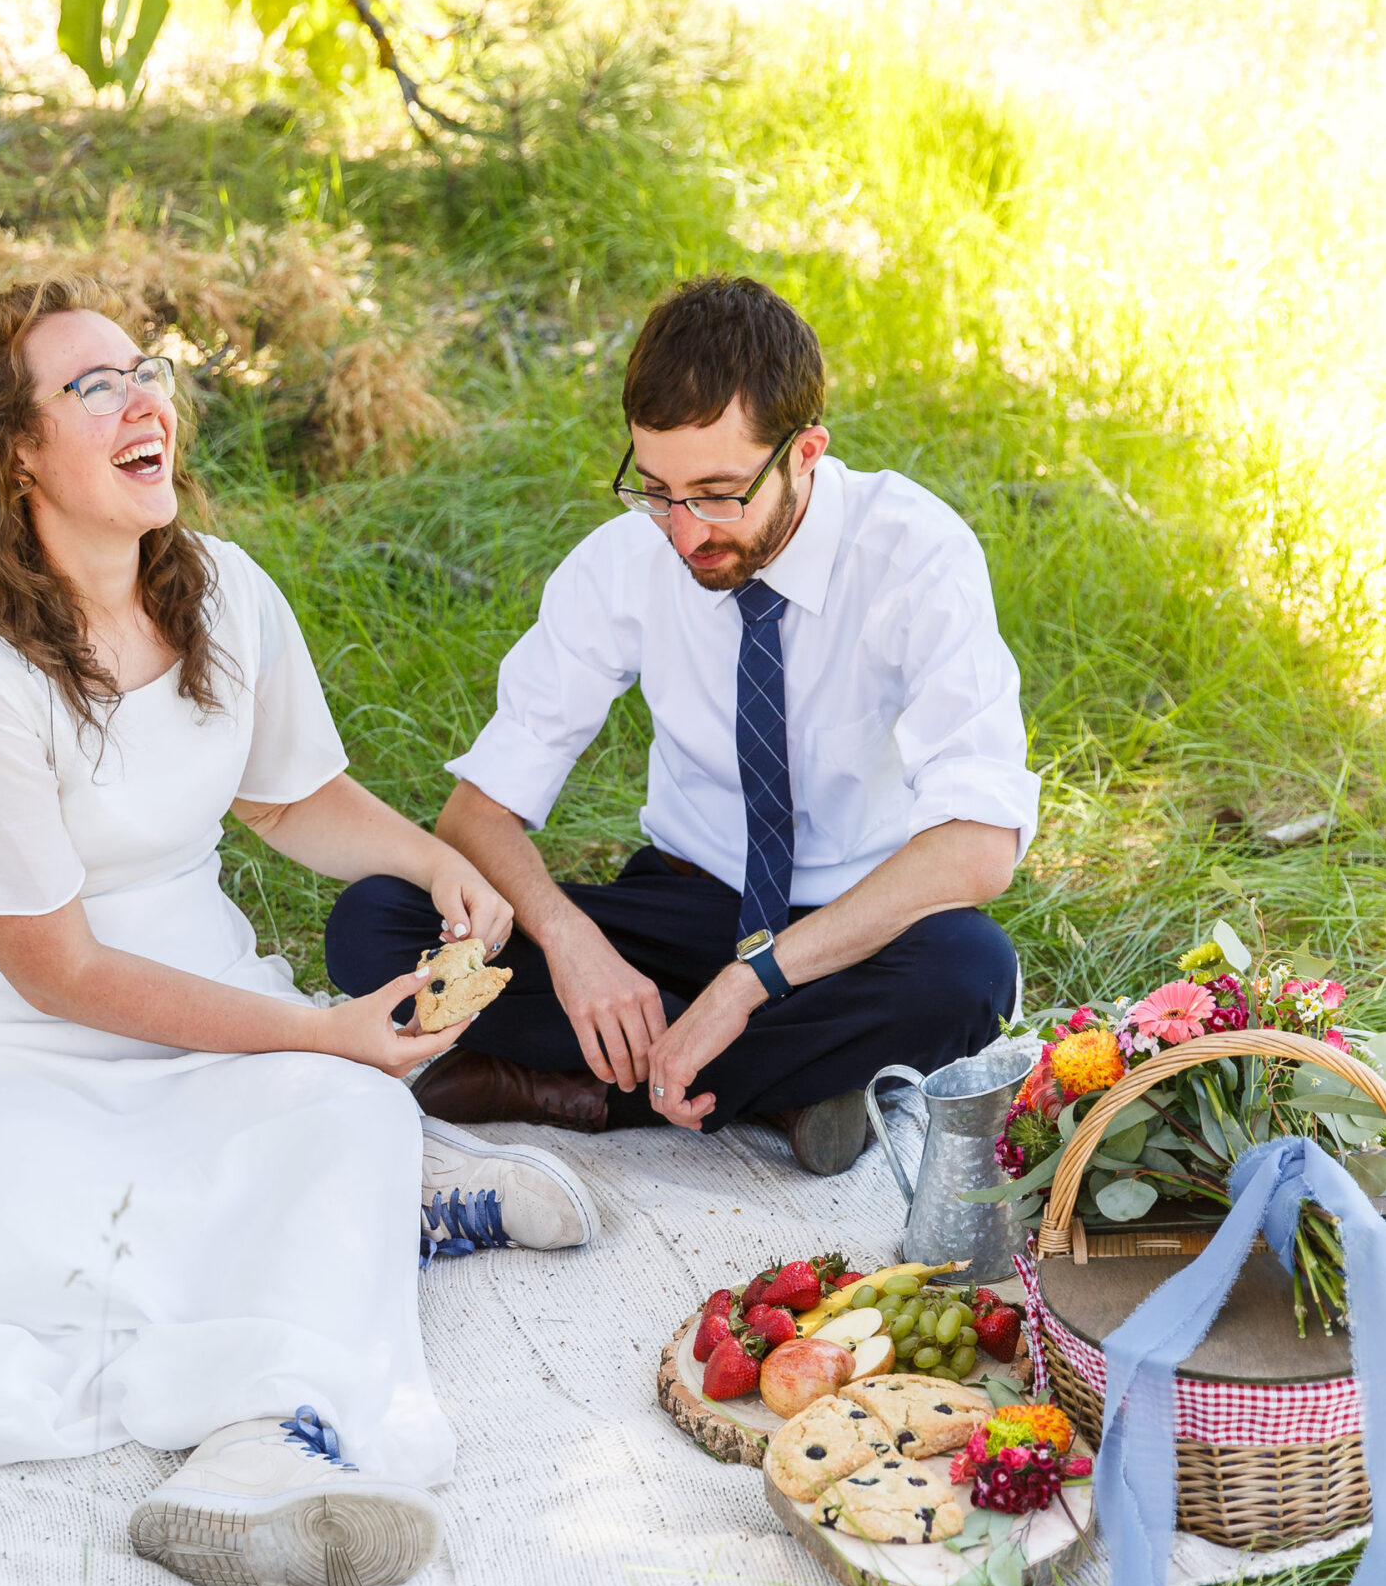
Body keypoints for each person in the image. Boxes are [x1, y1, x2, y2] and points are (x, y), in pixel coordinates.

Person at [0, 276, 599, 1586]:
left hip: (205, 1002)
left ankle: (268, 1440)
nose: (141, 399)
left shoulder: (222, 591)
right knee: (31, 1248)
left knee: (348, 1118)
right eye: (91, 386)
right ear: (12, 454)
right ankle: (351, 1285)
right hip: (15, 1051)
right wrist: (315, 1034)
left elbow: (284, 796)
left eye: (143, 369)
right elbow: (59, 968)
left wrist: (426, 853)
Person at [326, 275, 1039, 1173]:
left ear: (805, 451)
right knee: (375, 925)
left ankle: (568, 1088)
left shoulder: (915, 554)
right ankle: (788, 1090)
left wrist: (753, 982)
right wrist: (572, 943)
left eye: (716, 493)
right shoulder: (625, 560)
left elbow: (977, 847)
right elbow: (477, 815)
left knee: (969, 973)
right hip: (685, 901)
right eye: (656, 490)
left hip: (850, 926)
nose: (684, 533)